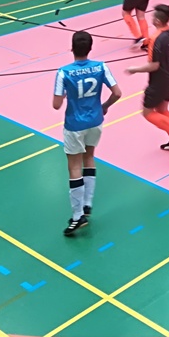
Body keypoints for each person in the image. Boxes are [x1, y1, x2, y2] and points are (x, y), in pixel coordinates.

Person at [52, 30, 121, 237]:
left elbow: (56, 105)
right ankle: (87, 204)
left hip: (74, 125)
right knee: (89, 157)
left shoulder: (64, 72)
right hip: (95, 121)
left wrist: (67, 92)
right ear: (90, 48)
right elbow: (117, 93)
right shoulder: (101, 67)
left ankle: (77, 216)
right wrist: (105, 106)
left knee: (74, 166)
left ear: (72, 48)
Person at [125, 4, 169, 152]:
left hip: (160, 80)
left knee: (147, 112)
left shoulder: (156, 39)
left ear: (158, 21)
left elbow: (154, 66)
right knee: (162, 109)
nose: (152, 18)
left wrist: (134, 69)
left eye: (153, 16)